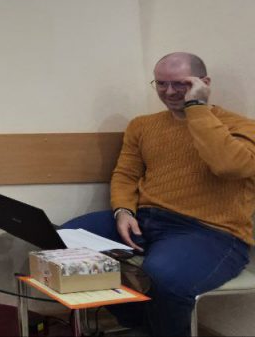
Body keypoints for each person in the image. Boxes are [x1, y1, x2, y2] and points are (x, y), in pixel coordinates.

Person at [64, 52, 255, 336]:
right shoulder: (142, 125)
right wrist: (123, 211)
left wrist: (196, 107)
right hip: (145, 220)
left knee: (163, 275)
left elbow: (228, 166)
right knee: (63, 239)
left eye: (180, 84)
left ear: (203, 83)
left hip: (211, 232)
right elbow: (126, 174)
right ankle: (139, 320)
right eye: (161, 84)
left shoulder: (241, 126)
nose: (169, 92)